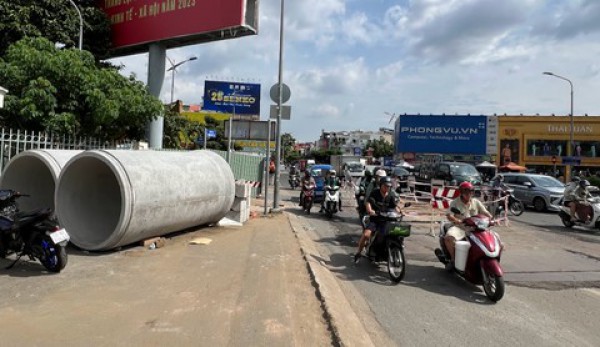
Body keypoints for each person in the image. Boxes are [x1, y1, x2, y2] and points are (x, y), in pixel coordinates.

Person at [445, 182, 493, 270]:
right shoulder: (455, 202)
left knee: (495, 239)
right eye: (466, 192)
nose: (468, 194)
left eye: (470, 192)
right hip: (461, 227)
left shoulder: (476, 202)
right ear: (461, 192)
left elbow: (485, 212)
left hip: (476, 228)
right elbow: (449, 215)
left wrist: (491, 219)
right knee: (449, 238)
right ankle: (453, 260)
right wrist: (457, 220)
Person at [354, 176, 401, 263]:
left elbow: (395, 207)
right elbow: (368, 202)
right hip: (375, 219)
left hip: (387, 220)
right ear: (381, 185)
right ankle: (359, 253)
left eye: (389, 186)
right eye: (385, 186)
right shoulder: (375, 193)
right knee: (366, 235)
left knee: (396, 234)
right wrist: (370, 210)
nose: (387, 188)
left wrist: (400, 212)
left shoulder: (390, 195)